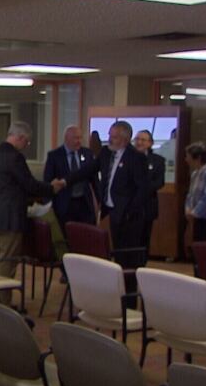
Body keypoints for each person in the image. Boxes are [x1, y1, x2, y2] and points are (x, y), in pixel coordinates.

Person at [0, 121, 64, 306]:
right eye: (26, 142)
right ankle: (1, 304)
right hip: (11, 216)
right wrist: (51, 188)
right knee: (7, 261)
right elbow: (29, 185)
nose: (26, 146)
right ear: (19, 137)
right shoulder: (15, 157)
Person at [68, 121, 147, 308]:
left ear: (125, 139)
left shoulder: (136, 158)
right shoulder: (105, 153)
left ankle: (129, 304)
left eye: (114, 136)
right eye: (110, 134)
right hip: (113, 213)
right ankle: (118, 298)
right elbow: (87, 171)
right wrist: (65, 181)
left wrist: (130, 210)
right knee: (118, 258)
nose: (110, 139)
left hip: (130, 217)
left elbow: (143, 189)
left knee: (129, 260)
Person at [43, 125, 99, 235]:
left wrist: (99, 199)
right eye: (75, 138)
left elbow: (94, 179)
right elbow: (48, 181)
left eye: (80, 138)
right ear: (66, 138)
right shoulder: (54, 156)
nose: (79, 141)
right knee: (67, 235)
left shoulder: (87, 154)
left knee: (86, 235)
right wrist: (48, 205)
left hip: (84, 203)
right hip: (64, 204)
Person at [134, 129, 165, 256]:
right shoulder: (126, 157)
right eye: (137, 139)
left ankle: (142, 265)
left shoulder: (158, 160)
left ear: (150, 143)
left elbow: (159, 182)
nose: (139, 142)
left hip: (147, 206)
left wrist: (142, 189)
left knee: (144, 238)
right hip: (128, 206)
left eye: (143, 140)